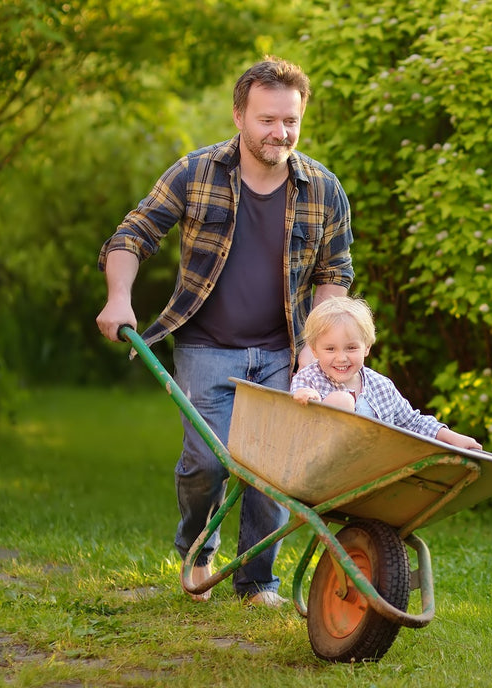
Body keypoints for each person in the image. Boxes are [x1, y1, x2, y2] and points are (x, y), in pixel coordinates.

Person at [95, 56, 355, 608]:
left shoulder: (324, 189)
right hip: (206, 345)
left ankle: (257, 581)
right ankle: (198, 549)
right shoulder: (195, 173)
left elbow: (335, 275)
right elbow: (133, 234)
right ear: (239, 115)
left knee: (273, 472)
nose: (279, 132)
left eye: (290, 120)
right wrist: (120, 297)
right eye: (266, 119)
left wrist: (317, 350)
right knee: (207, 463)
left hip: (285, 350)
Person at [291, 296, 482, 450]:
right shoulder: (309, 378)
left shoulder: (380, 385)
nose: (341, 358)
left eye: (350, 348)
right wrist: (304, 397)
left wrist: (453, 438)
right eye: (330, 349)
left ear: (366, 347)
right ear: (315, 351)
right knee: (342, 401)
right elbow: (290, 413)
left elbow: (412, 422)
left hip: (373, 465)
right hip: (322, 461)